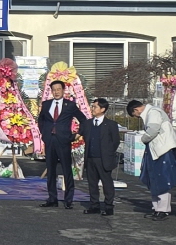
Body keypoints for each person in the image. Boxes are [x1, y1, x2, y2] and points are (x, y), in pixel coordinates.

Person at [131, 99, 176, 221]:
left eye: (135, 115)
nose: (138, 117)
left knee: (162, 180)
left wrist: (143, 139)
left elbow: (153, 129)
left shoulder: (153, 112)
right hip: (156, 150)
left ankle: (163, 210)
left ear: (136, 110)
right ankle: (157, 208)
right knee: (154, 179)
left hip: (162, 150)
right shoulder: (152, 112)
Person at [35, 80, 80, 208]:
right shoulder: (46, 104)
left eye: (58, 89)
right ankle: (52, 199)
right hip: (50, 141)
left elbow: (82, 119)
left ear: (63, 90)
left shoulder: (70, 105)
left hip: (64, 141)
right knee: (51, 170)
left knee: (67, 170)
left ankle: (68, 200)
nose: (56, 92)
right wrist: (44, 134)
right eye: (54, 90)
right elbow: (41, 121)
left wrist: (76, 135)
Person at [80, 96, 122, 215]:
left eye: (95, 107)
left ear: (102, 109)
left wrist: (108, 153)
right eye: (92, 106)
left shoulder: (111, 124)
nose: (92, 109)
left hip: (103, 158)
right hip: (90, 157)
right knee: (92, 183)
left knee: (106, 183)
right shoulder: (88, 123)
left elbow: (115, 141)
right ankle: (94, 205)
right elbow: (80, 135)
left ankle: (108, 206)